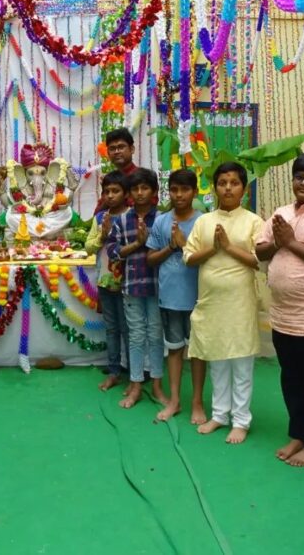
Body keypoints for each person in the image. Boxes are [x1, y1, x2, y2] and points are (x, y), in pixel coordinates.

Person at [255, 152, 304, 467]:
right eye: (299, 176)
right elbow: (260, 250)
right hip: (282, 316)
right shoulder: (281, 213)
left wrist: (289, 242)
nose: (303, 183)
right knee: (291, 380)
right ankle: (298, 434)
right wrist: (279, 241)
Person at [183, 162, 264, 444]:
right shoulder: (204, 221)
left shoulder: (253, 221)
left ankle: (241, 420)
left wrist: (229, 248)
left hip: (239, 301)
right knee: (217, 358)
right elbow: (188, 257)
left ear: (243, 188)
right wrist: (213, 249)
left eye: (234, 183)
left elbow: (259, 261)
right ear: (215, 187)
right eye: (222, 183)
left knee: (241, 360)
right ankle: (220, 414)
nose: (228, 188)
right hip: (211, 300)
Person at [146, 168, 204, 422]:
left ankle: (198, 403)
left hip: (200, 298)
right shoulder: (161, 222)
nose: (179, 195)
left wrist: (184, 244)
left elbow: (207, 260)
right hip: (169, 298)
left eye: (185, 189)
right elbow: (150, 259)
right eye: (174, 189)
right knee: (175, 350)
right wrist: (171, 246)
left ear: (195, 191)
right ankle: (175, 401)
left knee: (199, 351)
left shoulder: (204, 221)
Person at [106, 168, 166, 410]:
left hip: (159, 287)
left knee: (155, 335)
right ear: (130, 193)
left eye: (145, 188)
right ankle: (136, 385)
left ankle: (158, 386)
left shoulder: (162, 219)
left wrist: (147, 243)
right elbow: (112, 252)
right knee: (136, 336)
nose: (140, 193)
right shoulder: (122, 220)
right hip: (131, 286)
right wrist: (137, 245)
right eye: (136, 189)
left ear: (153, 192)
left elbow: (169, 248)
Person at [84, 170, 129, 391]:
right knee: (112, 328)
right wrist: (102, 234)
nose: (110, 195)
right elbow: (88, 247)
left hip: (129, 282)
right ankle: (114, 371)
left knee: (129, 327)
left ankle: (134, 371)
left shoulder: (131, 215)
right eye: (107, 191)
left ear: (125, 193)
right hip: (105, 280)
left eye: (115, 191)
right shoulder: (100, 218)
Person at [96, 128, 139, 213]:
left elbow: (146, 209)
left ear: (132, 149)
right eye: (112, 148)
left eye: (121, 147)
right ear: (108, 153)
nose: (116, 152)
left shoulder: (142, 177)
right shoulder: (110, 179)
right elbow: (97, 214)